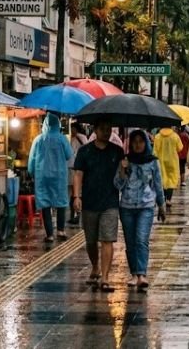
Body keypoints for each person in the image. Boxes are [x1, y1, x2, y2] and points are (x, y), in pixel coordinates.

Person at [72, 119, 124, 292]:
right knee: (91, 241)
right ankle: (95, 266)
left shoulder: (117, 151)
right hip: (89, 202)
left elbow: (123, 177)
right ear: (95, 130)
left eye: (109, 129)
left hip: (110, 202)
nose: (106, 132)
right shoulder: (85, 151)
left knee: (107, 239)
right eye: (103, 128)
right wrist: (76, 197)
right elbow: (78, 174)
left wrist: (124, 168)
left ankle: (105, 277)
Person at [115, 130, 166, 291]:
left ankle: (142, 273)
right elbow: (117, 185)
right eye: (135, 141)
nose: (138, 144)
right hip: (127, 207)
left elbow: (158, 184)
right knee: (130, 243)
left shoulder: (152, 162)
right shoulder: (125, 160)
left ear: (146, 143)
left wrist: (162, 204)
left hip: (146, 206)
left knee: (141, 240)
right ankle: (134, 274)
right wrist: (123, 170)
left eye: (141, 141)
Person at [29, 114, 74, 242]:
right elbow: (68, 154)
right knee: (61, 202)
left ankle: (49, 234)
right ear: (58, 124)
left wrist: (31, 172)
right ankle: (61, 230)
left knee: (45, 204)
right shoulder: (62, 139)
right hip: (59, 176)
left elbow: (31, 160)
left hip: (42, 176)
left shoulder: (38, 139)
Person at [153, 127, 182, 208]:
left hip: (161, 161)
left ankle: (164, 197)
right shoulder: (175, 136)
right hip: (172, 161)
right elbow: (180, 148)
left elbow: (155, 151)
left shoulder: (158, 136)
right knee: (171, 180)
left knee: (163, 179)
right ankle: (168, 199)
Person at [68, 122, 89, 224]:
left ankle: (76, 215)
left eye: (73, 129)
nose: (72, 131)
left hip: (77, 168)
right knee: (75, 193)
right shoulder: (71, 138)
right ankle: (75, 214)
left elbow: (71, 153)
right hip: (76, 168)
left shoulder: (79, 138)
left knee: (76, 193)